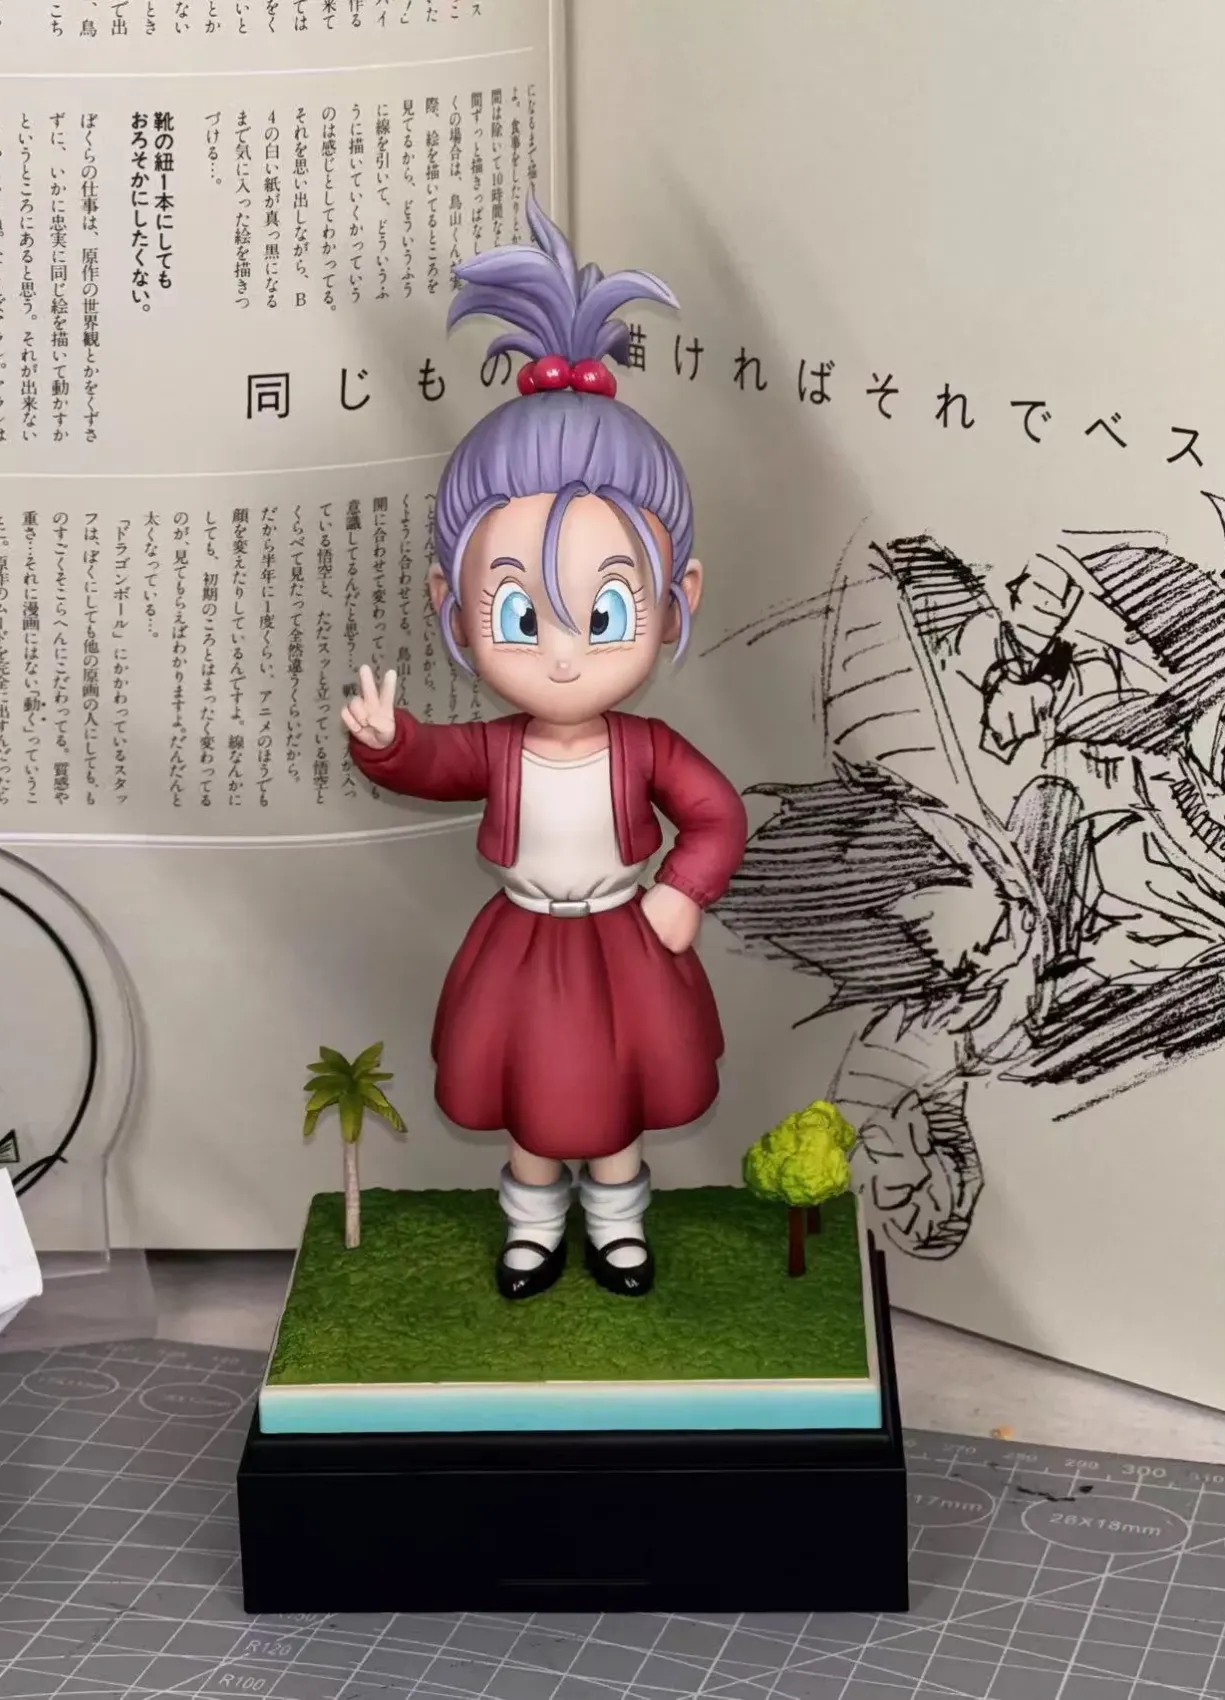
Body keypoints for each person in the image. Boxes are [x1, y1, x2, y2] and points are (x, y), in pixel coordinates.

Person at [343, 196, 746, 1302]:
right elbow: (437, 762)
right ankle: (530, 1231)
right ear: (453, 604)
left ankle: (618, 1229)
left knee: (614, 1107)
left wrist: (683, 892)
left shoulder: (645, 745)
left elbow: (716, 814)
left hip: (624, 944)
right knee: (531, 1101)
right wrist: (389, 743)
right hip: (522, 947)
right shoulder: (500, 747)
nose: (563, 655)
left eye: (604, 613)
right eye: (522, 615)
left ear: (676, 597)